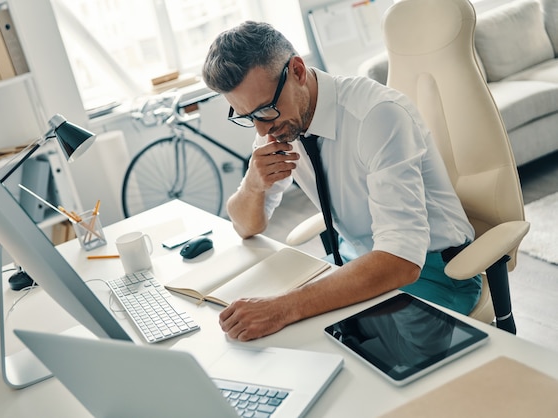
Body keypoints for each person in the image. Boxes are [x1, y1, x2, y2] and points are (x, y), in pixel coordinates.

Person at [201, 21, 481, 341]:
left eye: (265, 110)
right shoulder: (277, 123)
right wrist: (253, 183)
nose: (261, 130)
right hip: (354, 260)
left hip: (433, 274)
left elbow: (402, 261)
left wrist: (284, 308)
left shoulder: (378, 116)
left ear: (297, 71)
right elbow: (245, 226)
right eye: (247, 116)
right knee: (280, 343)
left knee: (349, 361)